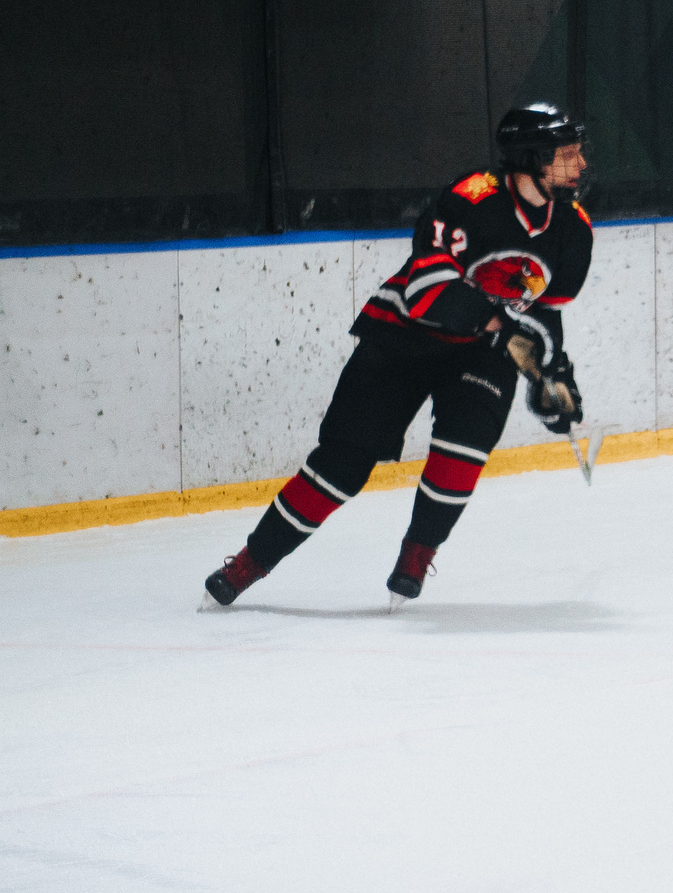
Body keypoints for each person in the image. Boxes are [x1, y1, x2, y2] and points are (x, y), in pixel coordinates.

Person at [200, 105, 593, 609]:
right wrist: (502, 325)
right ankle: (250, 563)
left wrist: (553, 376)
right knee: (342, 465)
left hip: (480, 354)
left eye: (579, 153)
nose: (580, 165)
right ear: (530, 159)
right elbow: (427, 289)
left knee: (464, 448)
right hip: (403, 336)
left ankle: (415, 557)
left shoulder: (573, 230)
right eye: (567, 155)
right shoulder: (470, 198)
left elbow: (543, 315)